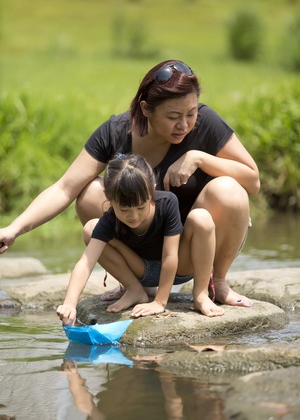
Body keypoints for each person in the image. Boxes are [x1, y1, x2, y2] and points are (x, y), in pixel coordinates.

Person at [0, 59, 260, 308]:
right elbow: (64, 188)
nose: (184, 125)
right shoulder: (116, 131)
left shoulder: (205, 123)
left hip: (189, 252)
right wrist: (14, 229)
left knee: (229, 191)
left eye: (191, 113)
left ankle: (218, 282)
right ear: (146, 109)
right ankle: (133, 284)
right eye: (173, 117)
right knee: (90, 192)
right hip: (137, 258)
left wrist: (200, 158)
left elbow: (252, 179)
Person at [57, 153, 224, 325]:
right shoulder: (110, 220)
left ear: (152, 188)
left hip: (179, 268)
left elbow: (170, 255)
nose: (133, 216)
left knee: (201, 218)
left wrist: (160, 302)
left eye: (141, 207)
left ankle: (201, 295)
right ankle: (135, 289)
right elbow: (86, 262)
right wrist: (70, 303)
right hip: (141, 271)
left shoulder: (167, 203)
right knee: (90, 228)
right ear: (108, 196)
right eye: (124, 209)